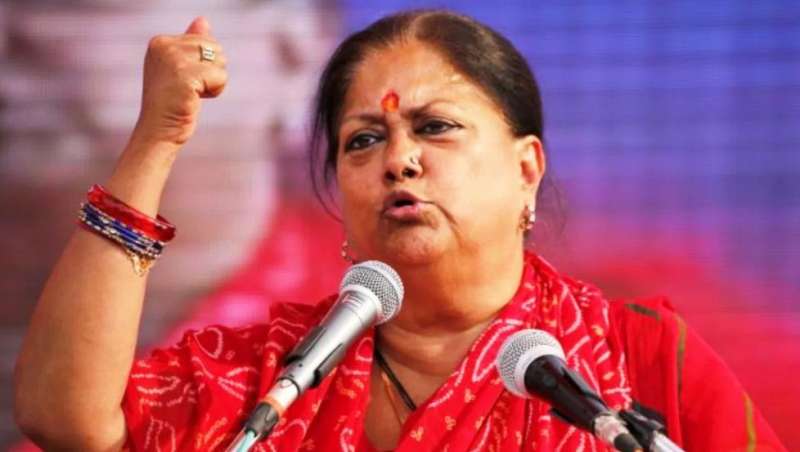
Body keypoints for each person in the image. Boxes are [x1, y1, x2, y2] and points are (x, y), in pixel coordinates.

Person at [13, 10, 785, 452]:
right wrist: (157, 139)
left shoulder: (640, 358)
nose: (399, 160)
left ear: (526, 169)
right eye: (363, 141)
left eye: (435, 127)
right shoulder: (261, 377)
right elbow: (64, 419)